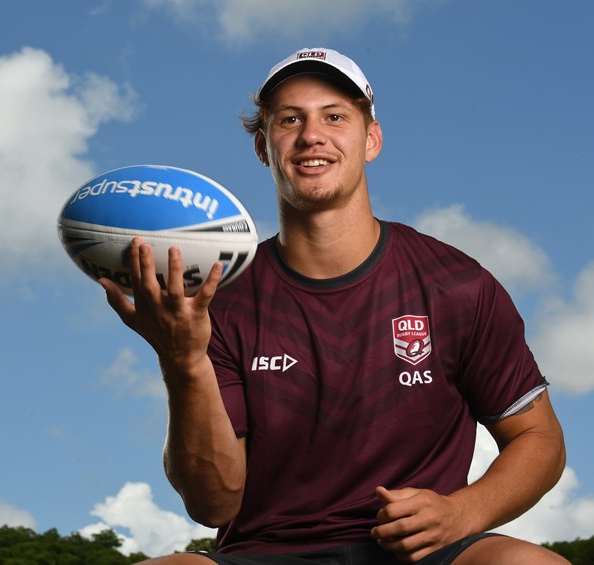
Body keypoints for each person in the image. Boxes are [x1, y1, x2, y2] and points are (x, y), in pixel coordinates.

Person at [100, 48, 569, 565]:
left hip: (423, 551)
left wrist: (463, 512)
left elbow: (539, 438)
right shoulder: (219, 299)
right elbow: (213, 503)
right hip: (266, 553)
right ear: (263, 145)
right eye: (290, 119)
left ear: (371, 139)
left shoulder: (455, 284)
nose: (311, 135)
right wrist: (182, 360)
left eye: (335, 116)